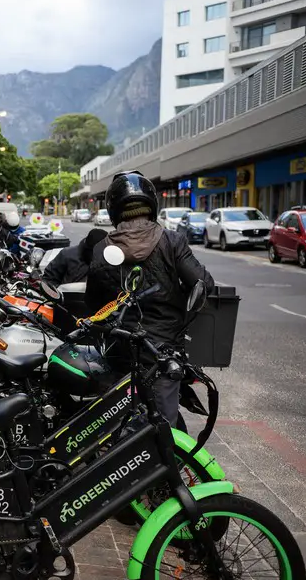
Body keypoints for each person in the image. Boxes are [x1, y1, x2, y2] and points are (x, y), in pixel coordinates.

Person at [86, 170, 214, 427]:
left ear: (113, 209)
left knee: (116, 425)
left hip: (121, 351)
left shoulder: (101, 249)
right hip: (164, 352)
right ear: (151, 204)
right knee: (164, 430)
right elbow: (204, 284)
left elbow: (94, 305)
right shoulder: (172, 241)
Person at [43, 228, 108, 286]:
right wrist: (59, 292)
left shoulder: (111, 260)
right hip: (69, 297)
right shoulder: (67, 255)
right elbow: (48, 279)